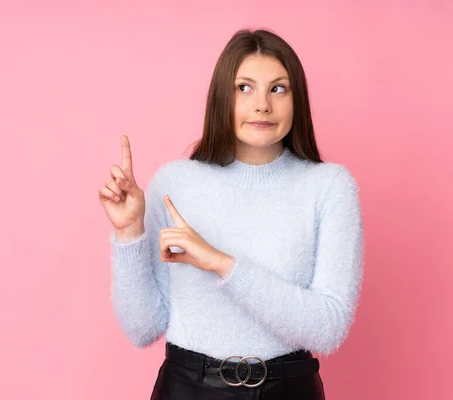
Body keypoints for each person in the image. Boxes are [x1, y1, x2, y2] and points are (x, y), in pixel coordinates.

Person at [99, 28, 364, 400]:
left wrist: (223, 264)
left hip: (290, 390)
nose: (261, 105)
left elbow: (328, 328)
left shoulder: (329, 186)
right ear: (223, 96)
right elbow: (142, 328)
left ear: (296, 99)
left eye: (277, 88)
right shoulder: (176, 182)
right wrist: (129, 233)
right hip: (188, 389)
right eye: (244, 88)